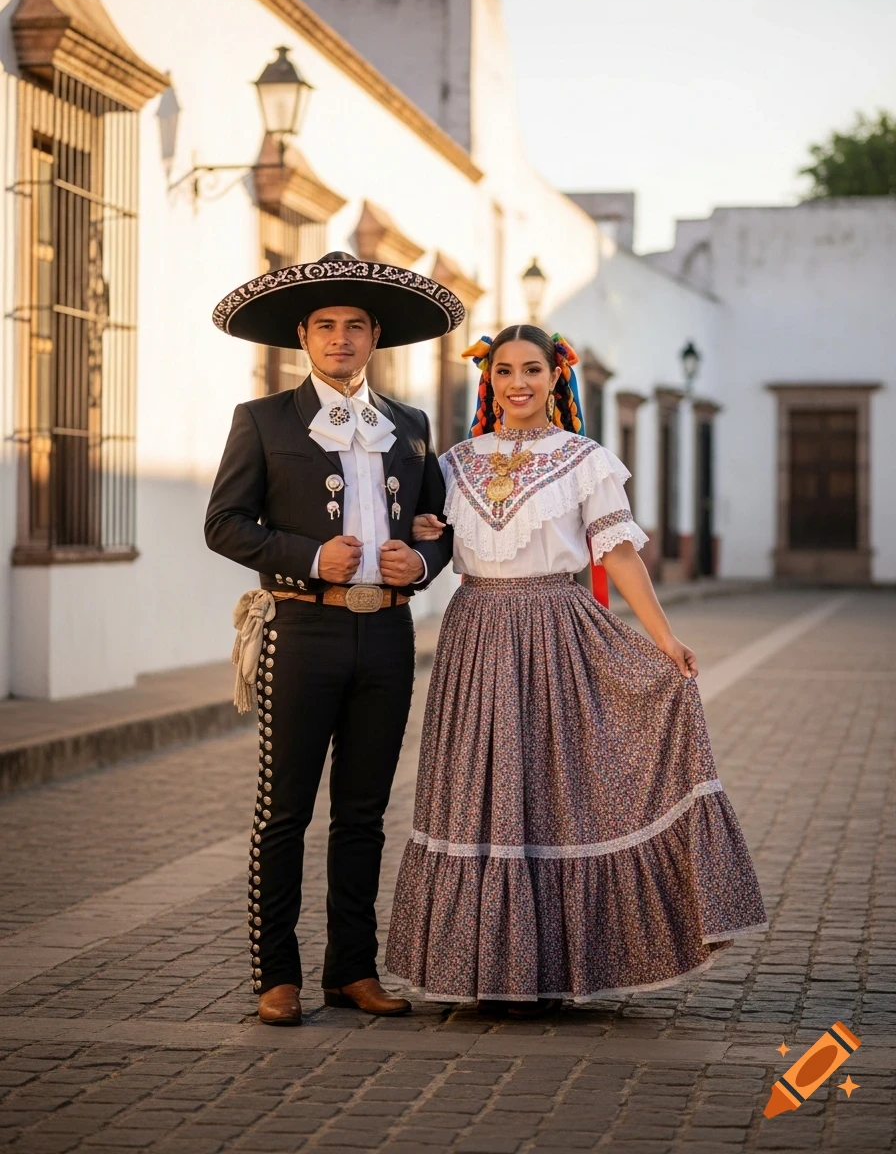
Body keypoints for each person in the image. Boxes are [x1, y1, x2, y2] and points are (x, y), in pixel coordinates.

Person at [386, 324, 767, 1016]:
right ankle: (485, 967)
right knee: (481, 792)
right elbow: (426, 539)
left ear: (557, 377)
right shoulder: (454, 463)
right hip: (473, 635)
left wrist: (664, 640)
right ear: (489, 380)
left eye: (533, 369)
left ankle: (551, 967)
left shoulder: (584, 459)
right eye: (505, 371)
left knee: (553, 794)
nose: (519, 383)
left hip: (557, 633)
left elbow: (618, 556)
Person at [205, 251, 463, 1025]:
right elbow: (223, 524)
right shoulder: (262, 420)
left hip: (385, 635)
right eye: (326, 326)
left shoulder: (411, 426)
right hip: (301, 627)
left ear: (375, 335)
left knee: (363, 815)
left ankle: (352, 970)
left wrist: (419, 559)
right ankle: (275, 976)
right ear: (303, 338)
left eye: (355, 326)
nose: (341, 339)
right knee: (284, 812)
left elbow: (441, 529)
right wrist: (311, 555)